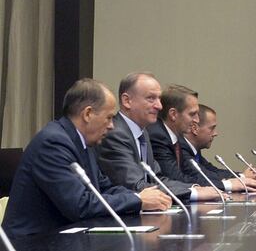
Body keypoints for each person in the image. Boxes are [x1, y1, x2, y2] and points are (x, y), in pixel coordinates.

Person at [2, 79, 171, 237]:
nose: (112, 126)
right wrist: (137, 200)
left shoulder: (84, 142)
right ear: (88, 114)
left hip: (65, 236)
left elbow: (103, 188)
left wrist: (141, 196)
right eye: (109, 117)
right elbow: (79, 205)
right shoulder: (53, 143)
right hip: (33, 241)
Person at [95, 72, 218, 201]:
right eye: (151, 98)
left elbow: (158, 178)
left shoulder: (143, 133)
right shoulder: (115, 134)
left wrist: (194, 188)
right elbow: (136, 186)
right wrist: (192, 193)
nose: (159, 106)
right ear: (127, 101)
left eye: (159, 99)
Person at [181, 104, 256, 190]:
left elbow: (213, 171)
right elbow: (204, 176)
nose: (215, 133)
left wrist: (241, 175)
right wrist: (242, 176)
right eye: (212, 128)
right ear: (194, 128)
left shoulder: (194, 149)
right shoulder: (180, 150)